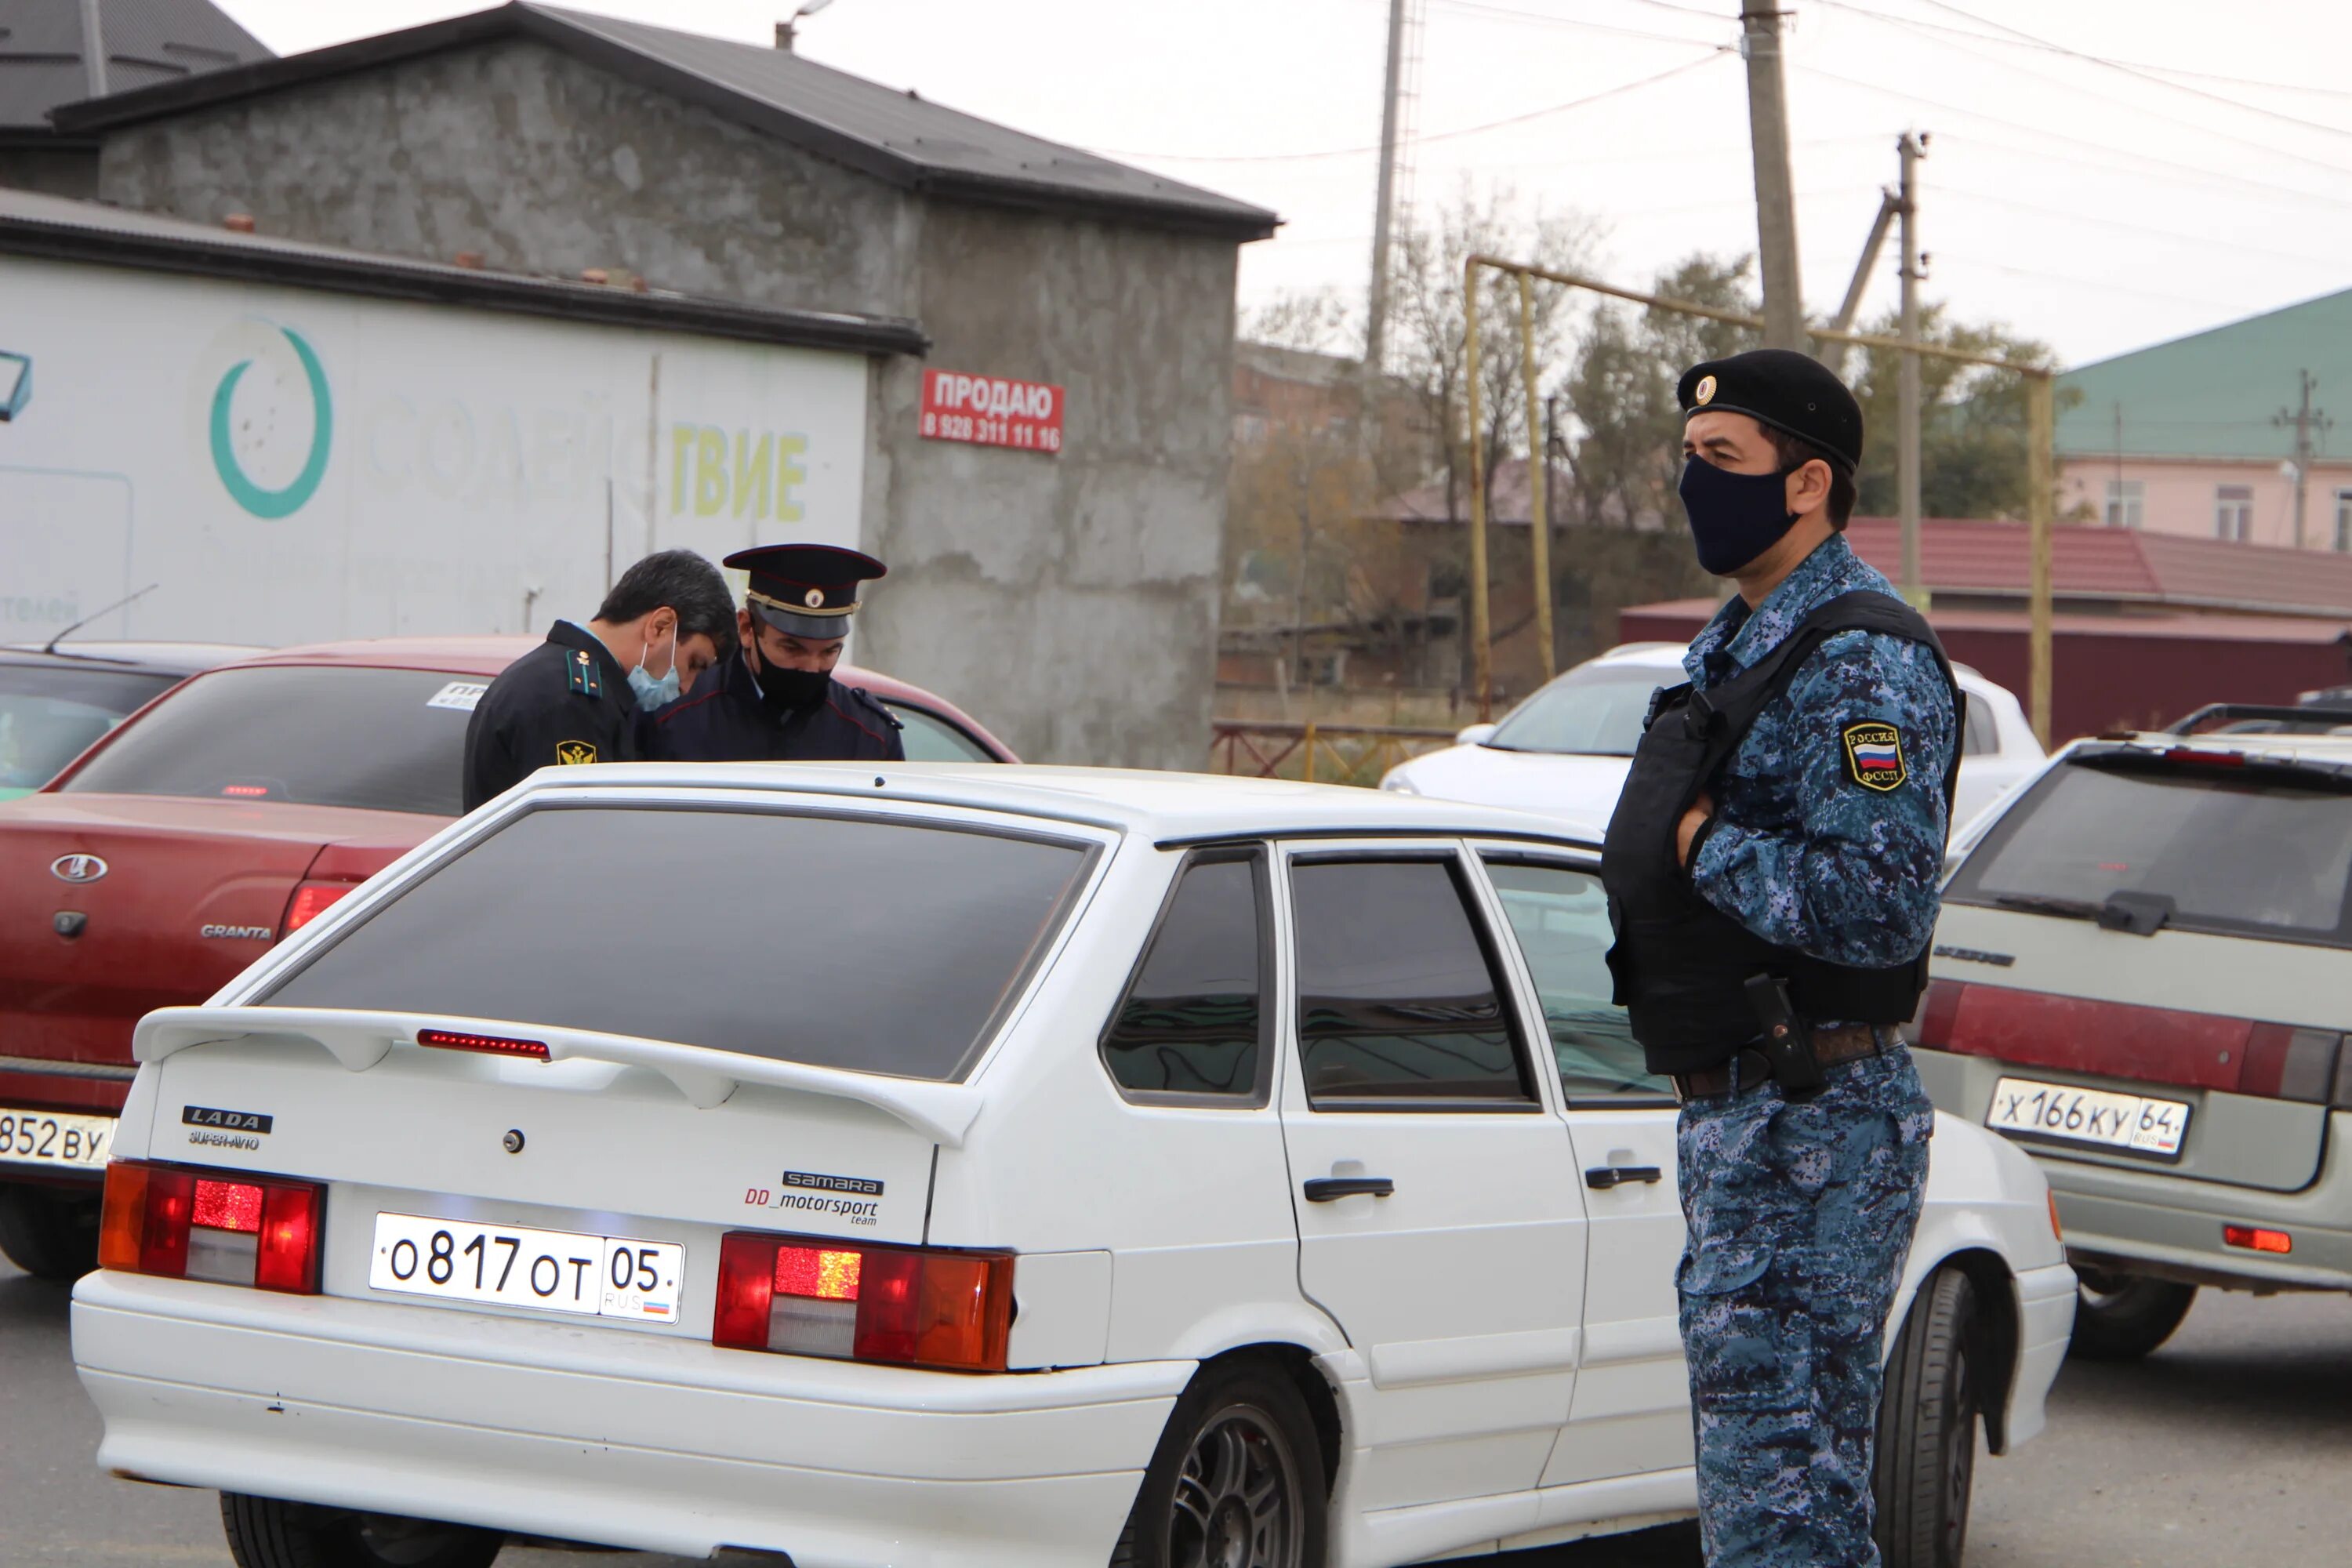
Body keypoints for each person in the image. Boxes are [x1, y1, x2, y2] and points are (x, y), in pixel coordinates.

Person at [1598, 348, 1962, 1567]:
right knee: (1765, 1501)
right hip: (1746, 1116)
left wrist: (1701, 842)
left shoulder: (1861, 660)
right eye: (1689, 460)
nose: (1695, 484)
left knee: (1790, 1511)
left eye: (1724, 461)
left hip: (1815, 1117)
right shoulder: (1744, 644)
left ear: (1808, 484)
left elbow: (1878, 905)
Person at [461, 549, 735, 811]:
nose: (687, 686)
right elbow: (577, 836)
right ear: (660, 626)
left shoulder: (550, 676)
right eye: (694, 664)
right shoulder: (574, 703)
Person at [645, 543, 905, 763]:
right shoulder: (674, 719)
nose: (811, 667)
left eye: (829, 651)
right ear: (747, 629)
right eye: (792, 648)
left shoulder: (870, 737)